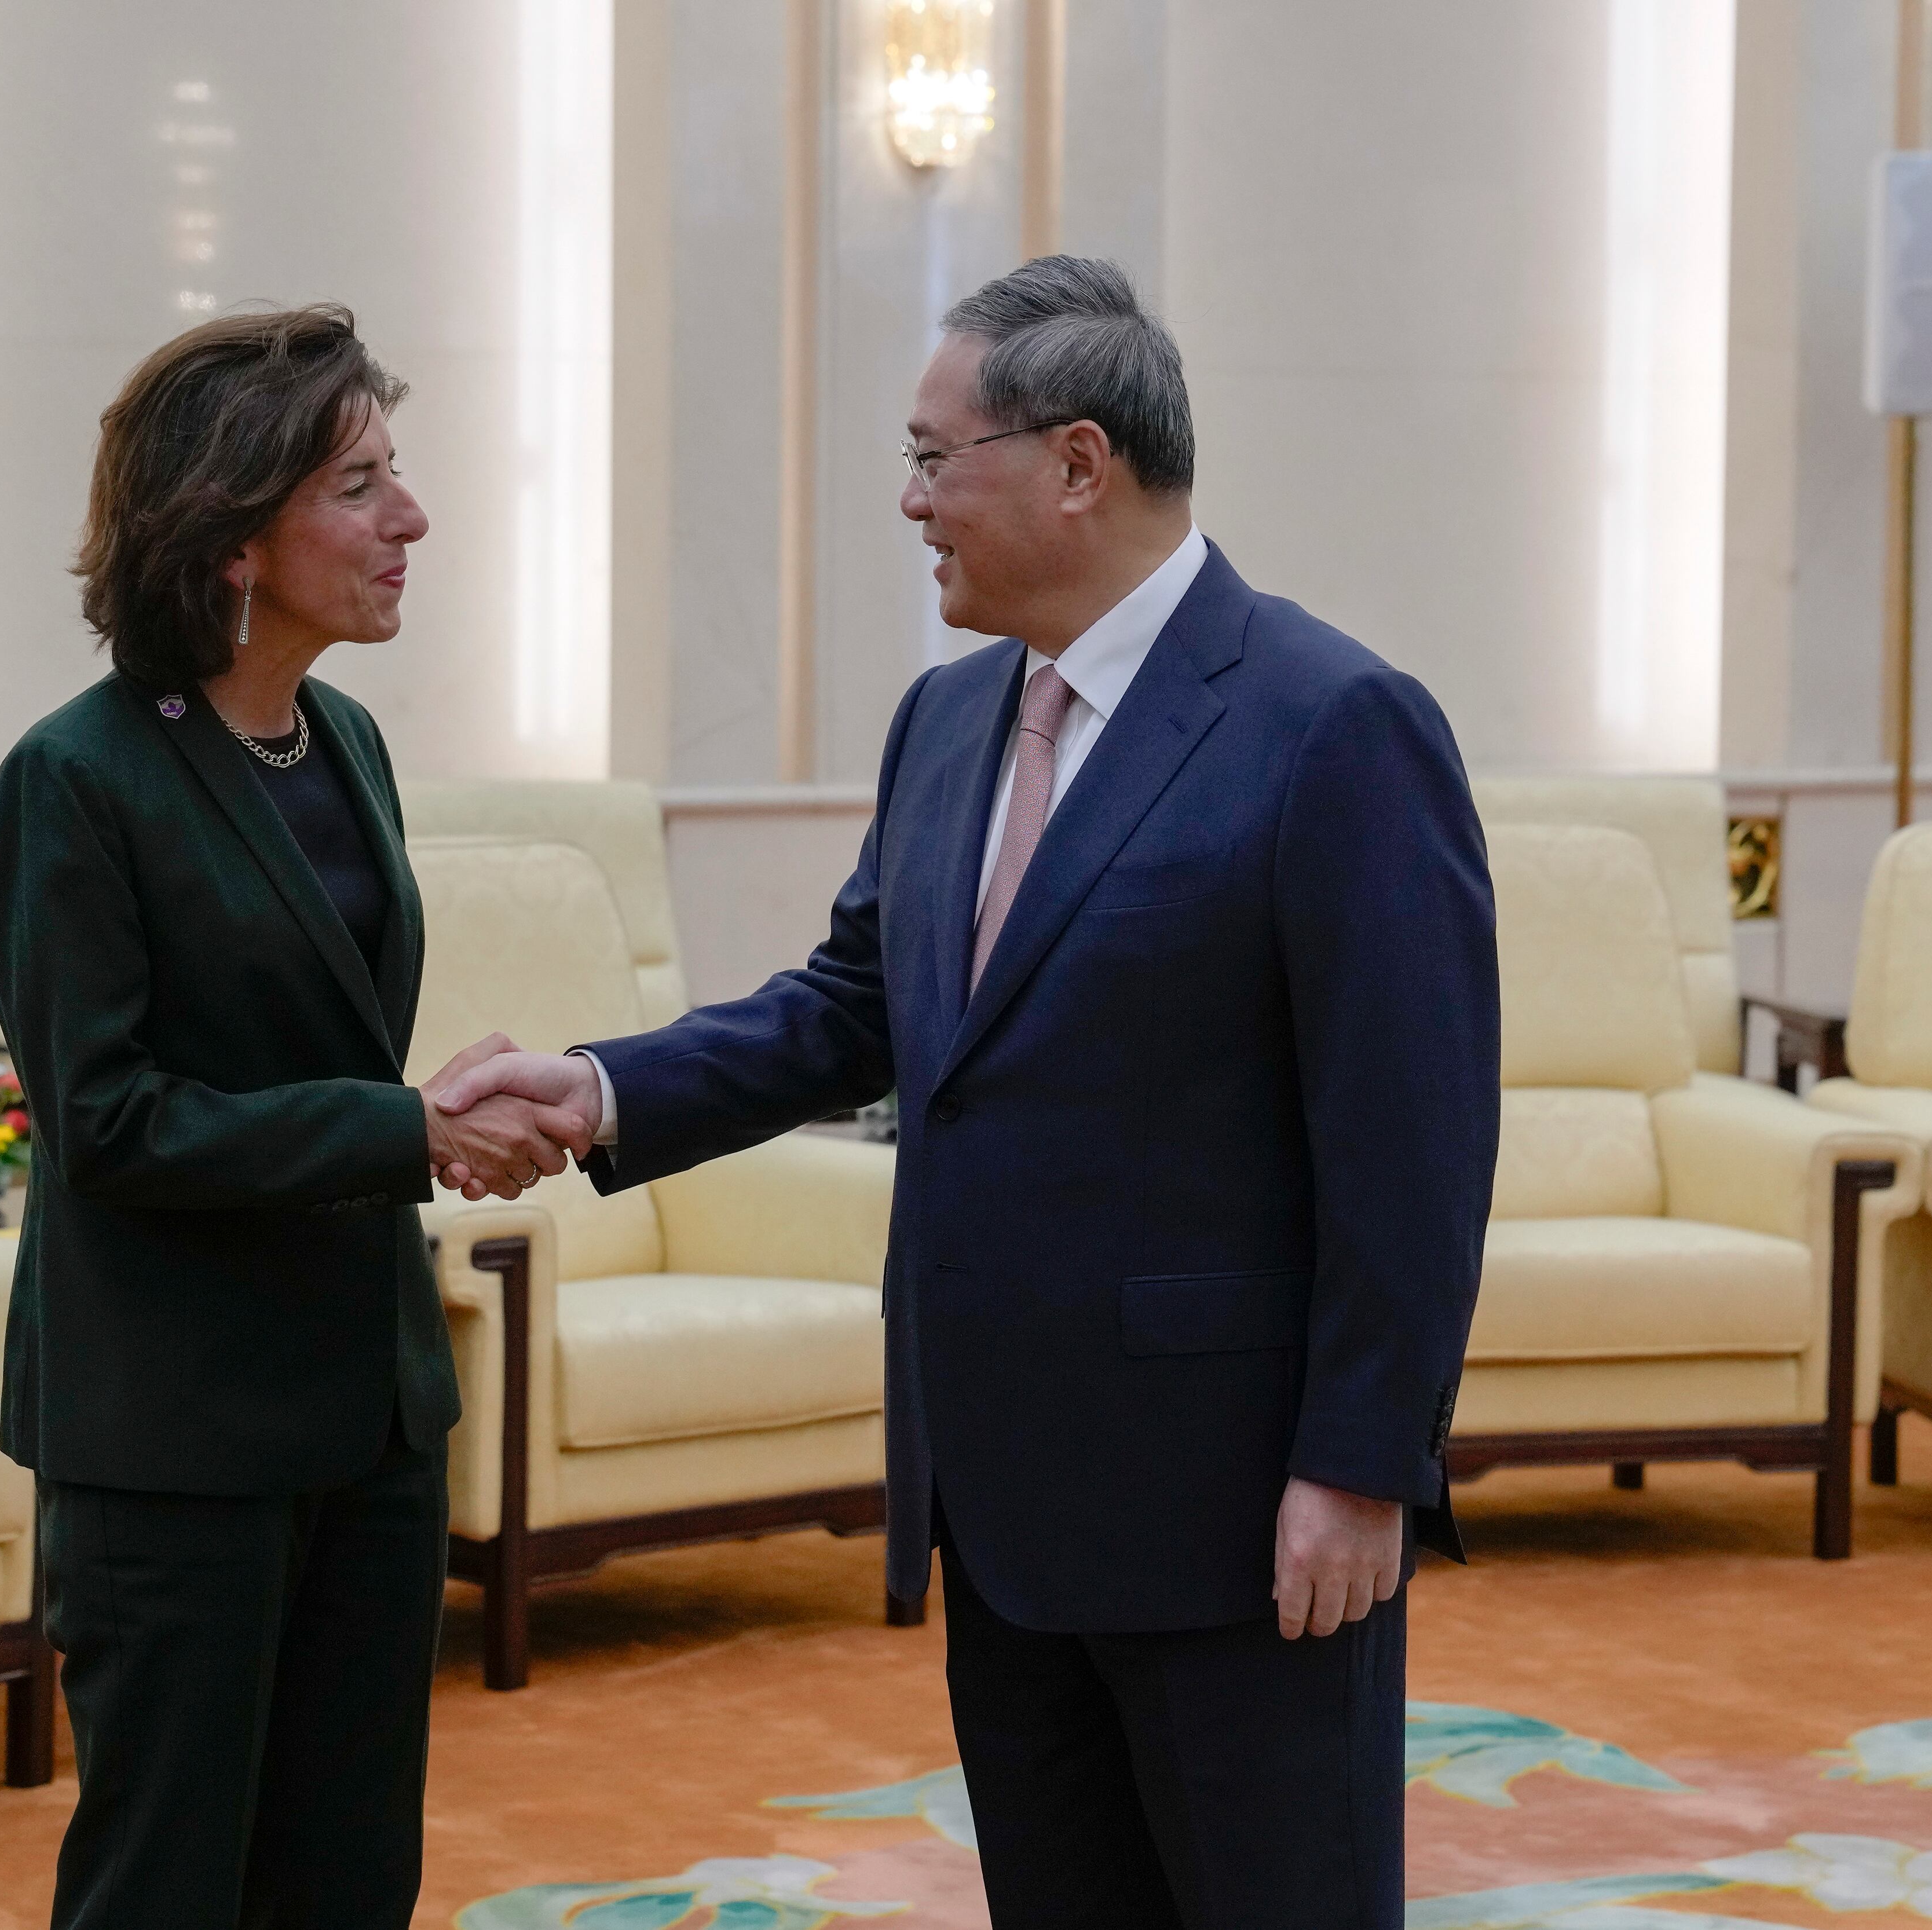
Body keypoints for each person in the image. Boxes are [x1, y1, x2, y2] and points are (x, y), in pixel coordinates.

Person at [434, 257, 1499, 1928]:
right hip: (999, 1502)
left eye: (938, 459)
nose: (912, 501)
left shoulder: (1330, 722)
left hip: (1237, 1516)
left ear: (1079, 464)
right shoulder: (947, 722)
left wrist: (1364, 1467)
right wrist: (598, 1088)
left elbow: (1413, 1145)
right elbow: (854, 1005)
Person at [0, 304, 590, 1930]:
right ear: (235, 532)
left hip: (368, 1415)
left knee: (346, 1875)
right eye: (364, 483)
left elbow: (302, 1035)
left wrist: (420, 1122)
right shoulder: (76, 779)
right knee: (167, 1884)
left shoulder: (351, 746)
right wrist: (408, 1130)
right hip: (174, 1434)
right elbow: (108, 1123)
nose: (413, 519)